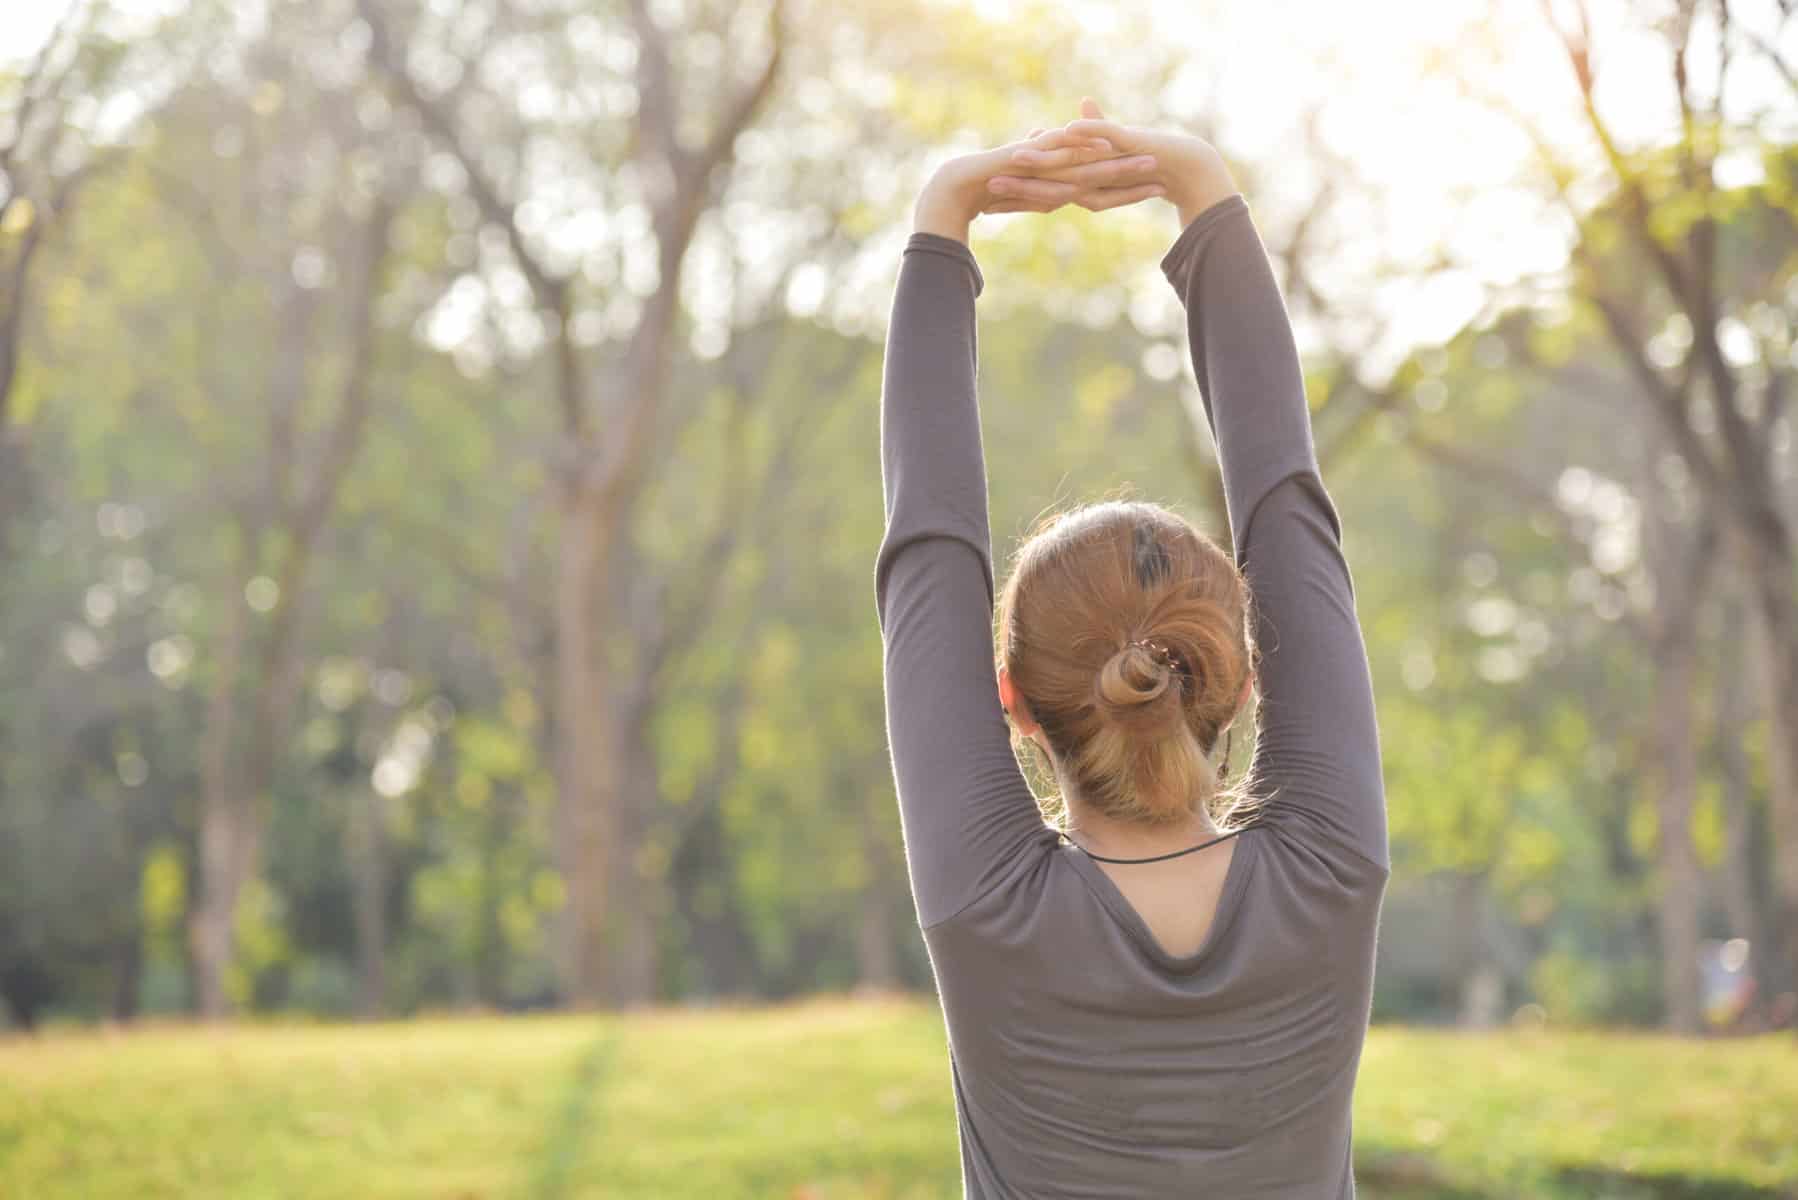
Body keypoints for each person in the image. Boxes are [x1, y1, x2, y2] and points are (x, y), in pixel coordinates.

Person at [873, 98, 1390, 1195]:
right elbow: (1288, 510)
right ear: (1243, 676)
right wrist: (1202, 192)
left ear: (1007, 698)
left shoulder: (985, 902)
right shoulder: (1331, 865)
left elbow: (927, 551)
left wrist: (944, 220)